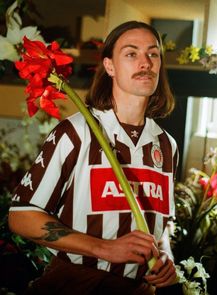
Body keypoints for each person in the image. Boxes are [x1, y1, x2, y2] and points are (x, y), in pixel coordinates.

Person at [8, 20, 180, 294]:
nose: (145, 62)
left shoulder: (166, 145)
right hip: (76, 283)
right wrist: (104, 248)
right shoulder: (76, 131)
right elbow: (21, 215)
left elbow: (164, 221)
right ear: (109, 66)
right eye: (131, 53)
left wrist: (166, 255)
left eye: (153, 53)